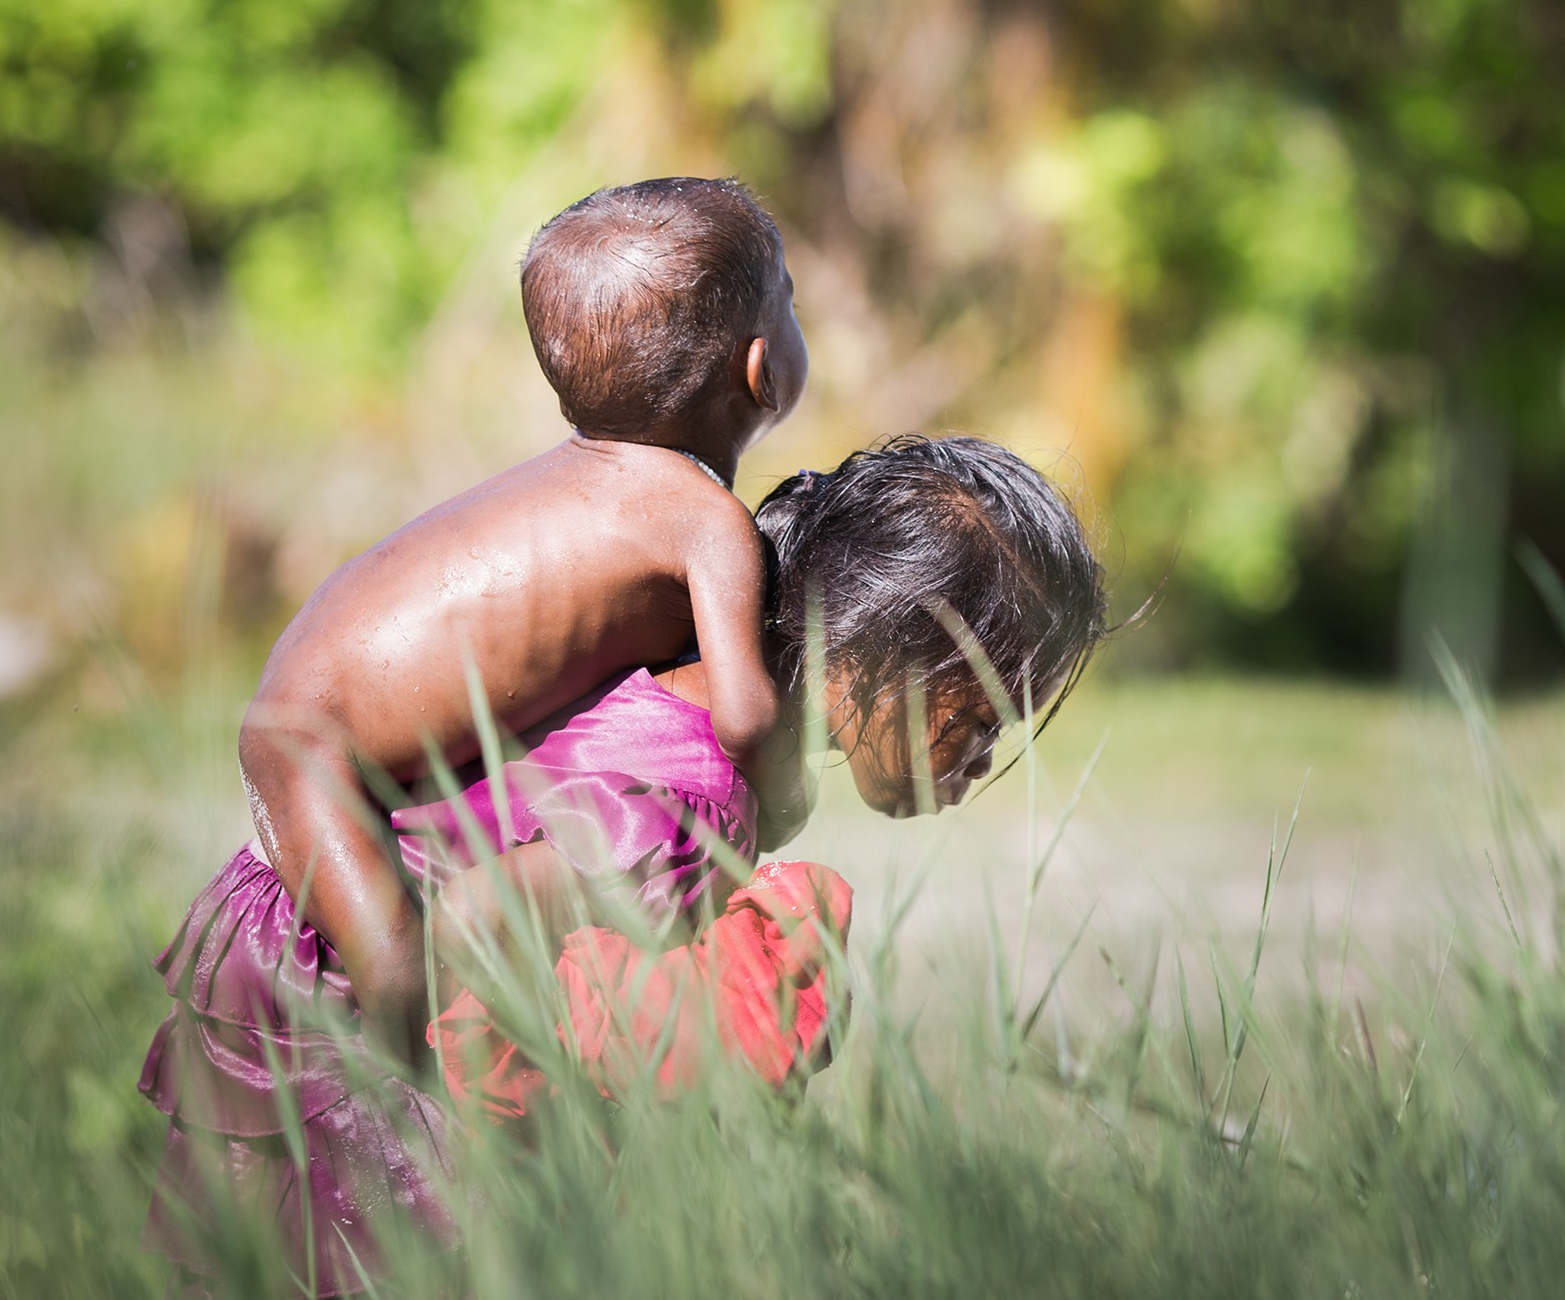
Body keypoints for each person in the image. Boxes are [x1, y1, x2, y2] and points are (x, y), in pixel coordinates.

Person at [138, 434, 1109, 1296]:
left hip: (307, 944)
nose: (982, 758)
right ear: (886, 648)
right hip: (353, 1014)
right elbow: (472, 925)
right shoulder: (690, 807)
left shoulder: (676, 670)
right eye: (976, 715)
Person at [235, 177, 811, 1078]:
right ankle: (402, 1157)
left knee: (403, 981)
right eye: (791, 303)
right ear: (762, 366)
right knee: (397, 990)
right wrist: (787, 794)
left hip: (302, 707)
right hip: (309, 745)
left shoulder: (573, 483)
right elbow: (743, 713)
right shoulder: (704, 518)